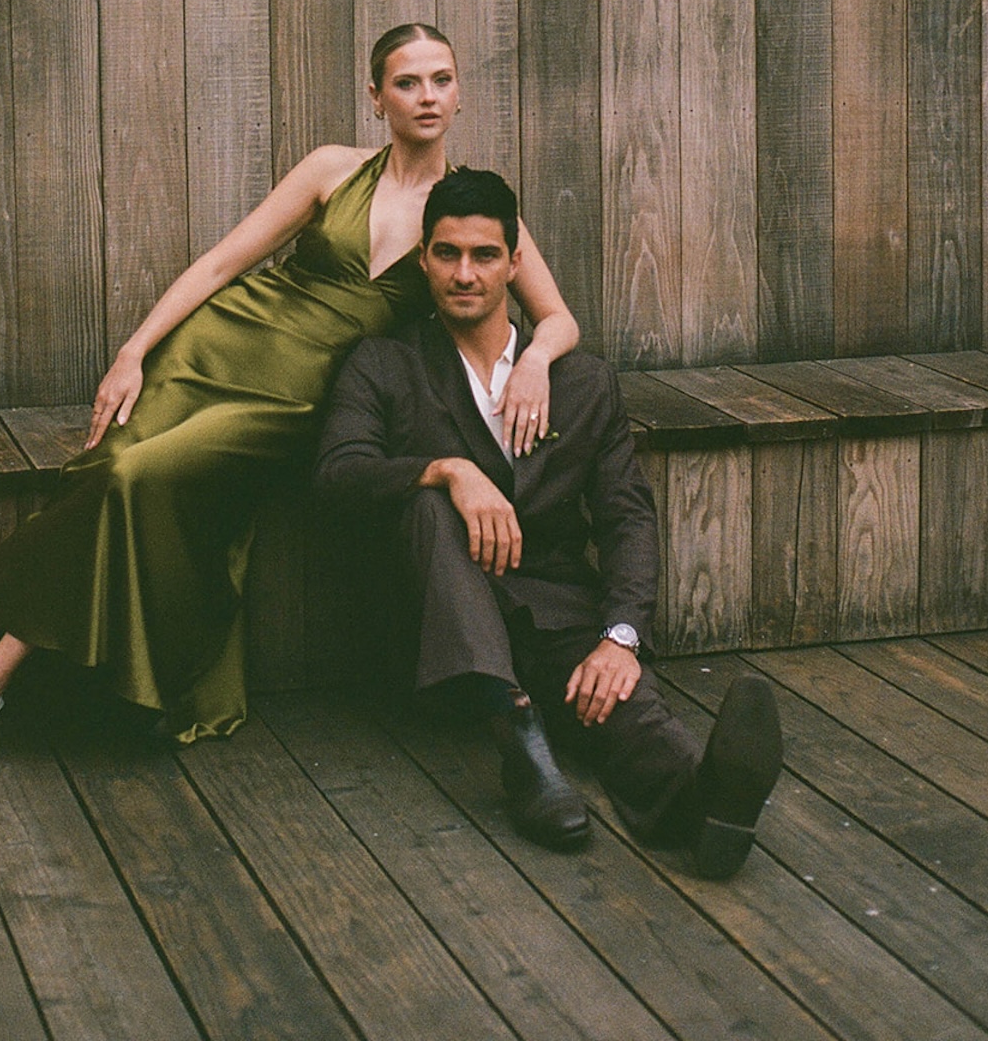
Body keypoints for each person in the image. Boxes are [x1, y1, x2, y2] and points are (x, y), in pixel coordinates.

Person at [0, 27, 578, 779]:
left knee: (126, 478)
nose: (426, 97)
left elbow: (557, 316)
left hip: (296, 398)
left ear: (460, 92)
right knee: (109, 473)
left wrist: (536, 358)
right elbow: (221, 264)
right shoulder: (333, 169)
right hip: (220, 345)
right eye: (407, 82)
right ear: (375, 96)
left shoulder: (472, 211)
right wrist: (134, 351)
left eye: (441, 79)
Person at [312, 167, 783, 879]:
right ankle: (525, 753)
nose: (464, 274)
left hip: (553, 614)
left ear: (515, 262)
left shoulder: (581, 383)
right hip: (434, 631)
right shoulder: (383, 362)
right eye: (446, 254)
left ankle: (705, 802)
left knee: (623, 704)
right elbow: (339, 474)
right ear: (423, 260)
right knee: (428, 503)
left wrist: (621, 638)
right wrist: (446, 469)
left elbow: (627, 516)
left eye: (484, 255)